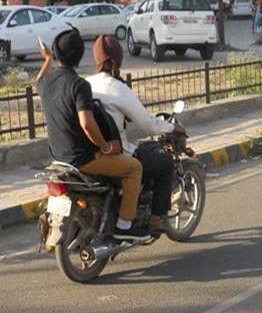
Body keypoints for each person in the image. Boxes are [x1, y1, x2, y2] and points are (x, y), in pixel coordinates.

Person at [36, 30, 149, 241]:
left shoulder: (46, 84)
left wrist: (47, 58)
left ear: (57, 53)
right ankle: (125, 226)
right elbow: (87, 124)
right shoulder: (79, 85)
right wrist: (105, 147)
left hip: (59, 158)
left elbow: (40, 76)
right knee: (135, 168)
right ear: (80, 55)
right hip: (84, 160)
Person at [87, 36, 177, 234]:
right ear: (115, 61)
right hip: (117, 154)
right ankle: (155, 219)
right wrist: (171, 128)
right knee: (165, 163)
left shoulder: (86, 84)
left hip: (91, 153)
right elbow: (147, 125)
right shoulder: (117, 88)